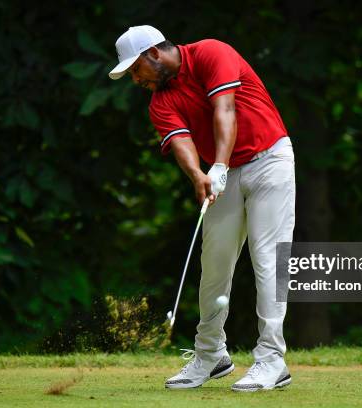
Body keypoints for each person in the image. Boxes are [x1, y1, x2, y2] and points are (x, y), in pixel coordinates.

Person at [108, 25, 295, 392]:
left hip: (269, 159)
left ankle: (272, 359)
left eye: (135, 69)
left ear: (153, 54)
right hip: (221, 174)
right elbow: (181, 142)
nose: (134, 79)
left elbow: (224, 109)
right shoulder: (160, 100)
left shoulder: (212, 52)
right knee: (214, 266)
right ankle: (211, 355)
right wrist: (198, 175)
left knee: (268, 261)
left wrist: (219, 166)